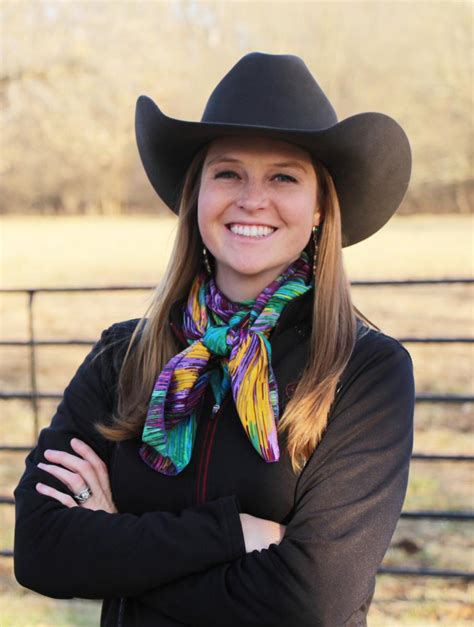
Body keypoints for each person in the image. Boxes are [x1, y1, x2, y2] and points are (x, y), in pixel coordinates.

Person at [14, 52, 415, 626]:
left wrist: (116, 543)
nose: (252, 199)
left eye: (283, 176)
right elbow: (41, 549)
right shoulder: (122, 357)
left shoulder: (363, 372)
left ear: (322, 206)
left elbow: (313, 598)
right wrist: (236, 533)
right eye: (227, 172)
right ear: (196, 196)